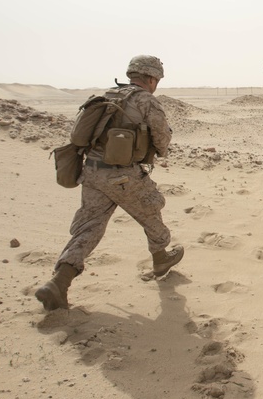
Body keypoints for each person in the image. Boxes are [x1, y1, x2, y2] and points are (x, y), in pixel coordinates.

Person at [36, 55, 184, 311]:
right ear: (150, 78)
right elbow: (161, 138)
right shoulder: (145, 99)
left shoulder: (108, 96)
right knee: (152, 209)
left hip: (92, 172)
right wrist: (158, 148)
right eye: (156, 80)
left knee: (89, 227)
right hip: (123, 175)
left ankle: (59, 282)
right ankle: (161, 258)